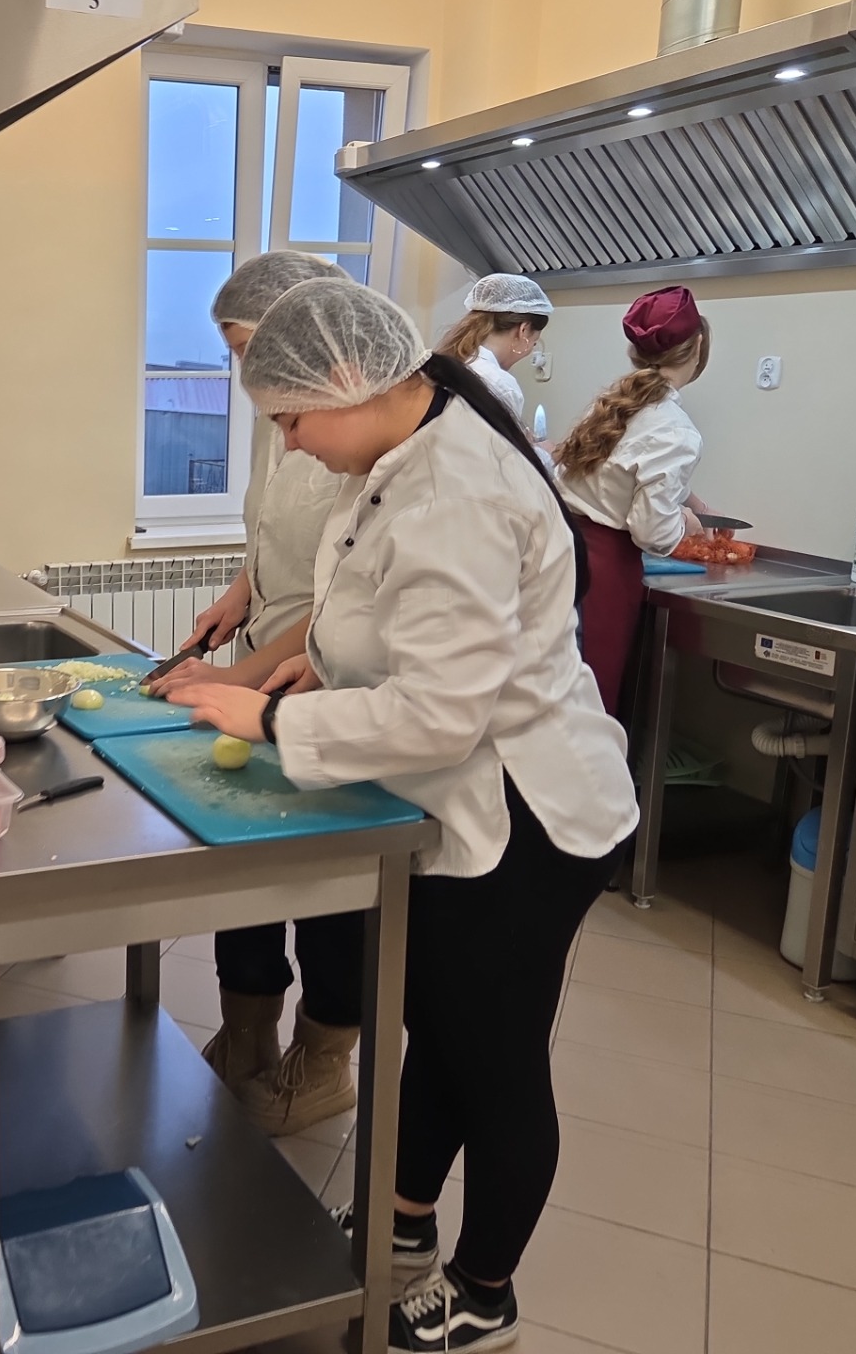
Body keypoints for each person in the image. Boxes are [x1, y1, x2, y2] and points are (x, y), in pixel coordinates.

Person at [166, 279, 637, 1352]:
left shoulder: (455, 491)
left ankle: (483, 1292)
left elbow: (439, 712)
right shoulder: (397, 458)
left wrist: (270, 719)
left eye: (291, 419)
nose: (289, 444)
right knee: (440, 1028)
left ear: (349, 379)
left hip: (528, 815)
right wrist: (309, 672)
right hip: (453, 803)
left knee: (494, 1059)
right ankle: (403, 1223)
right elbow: (376, 622)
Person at [156, 252, 361, 1137]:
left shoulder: (356, 437)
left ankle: (324, 1061)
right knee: (247, 865)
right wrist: (236, 596)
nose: (247, 373)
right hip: (263, 659)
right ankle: (246, 1037)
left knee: (325, 887)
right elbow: (272, 535)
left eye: (250, 349)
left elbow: (344, 596)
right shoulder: (282, 428)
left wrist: (229, 682)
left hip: (327, 678)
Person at [554, 285, 713, 717]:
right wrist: (685, 523)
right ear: (698, 346)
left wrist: (687, 499)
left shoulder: (612, 405)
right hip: (600, 573)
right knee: (585, 704)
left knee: (551, 696)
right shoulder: (675, 429)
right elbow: (651, 531)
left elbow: (610, 477)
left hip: (558, 551)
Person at [434, 273, 552, 427]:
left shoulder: (450, 363)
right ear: (523, 330)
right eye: (534, 342)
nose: (530, 349)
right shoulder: (500, 385)